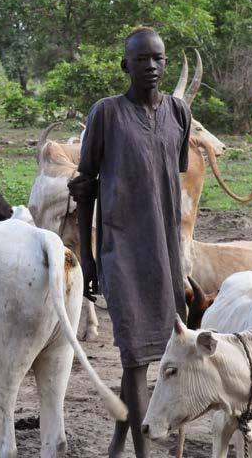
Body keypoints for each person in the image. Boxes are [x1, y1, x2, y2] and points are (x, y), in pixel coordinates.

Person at [68, 27, 191, 458]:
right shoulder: (106, 114)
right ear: (126, 65)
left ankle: (118, 446)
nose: (153, 67)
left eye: (158, 59)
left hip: (166, 255)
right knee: (135, 356)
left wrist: (182, 259)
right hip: (121, 253)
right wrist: (88, 257)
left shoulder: (179, 114)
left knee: (160, 352)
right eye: (142, 60)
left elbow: (171, 185)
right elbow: (84, 188)